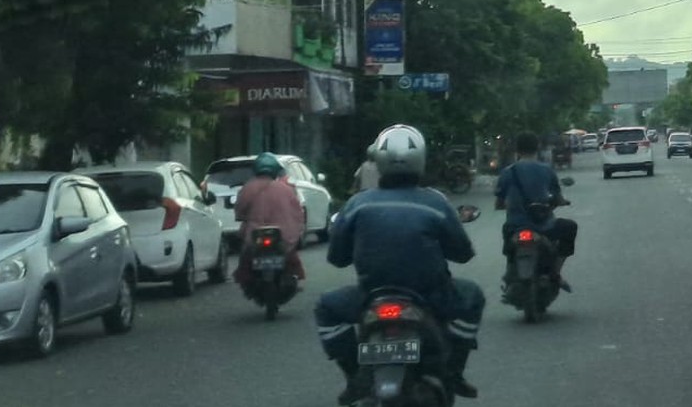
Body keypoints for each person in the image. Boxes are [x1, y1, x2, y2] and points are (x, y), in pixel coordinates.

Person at [314, 125, 484, 404]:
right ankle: (454, 371)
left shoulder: (357, 204)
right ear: (421, 160)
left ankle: (354, 376)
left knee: (326, 308)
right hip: (430, 295)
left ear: (379, 161)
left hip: (371, 295)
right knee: (473, 297)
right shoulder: (436, 203)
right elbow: (463, 254)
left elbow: (336, 258)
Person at [494, 132, 579, 291]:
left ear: (516, 149)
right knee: (570, 227)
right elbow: (558, 198)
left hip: (516, 226)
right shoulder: (546, 170)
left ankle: (510, 274)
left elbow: (499, 203)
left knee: (507, 241)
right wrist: (561, 202)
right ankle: (555, 273)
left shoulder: (507, 172)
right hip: (544, 226)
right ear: (537, 148)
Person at [233, 151, 306, 289]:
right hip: (283, 235)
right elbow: (297, 212)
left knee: (245, 255)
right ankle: (294, 277)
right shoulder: (286, 188)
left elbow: (240, 212)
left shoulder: (247, 188)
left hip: (255, 235)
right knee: (290, 255)